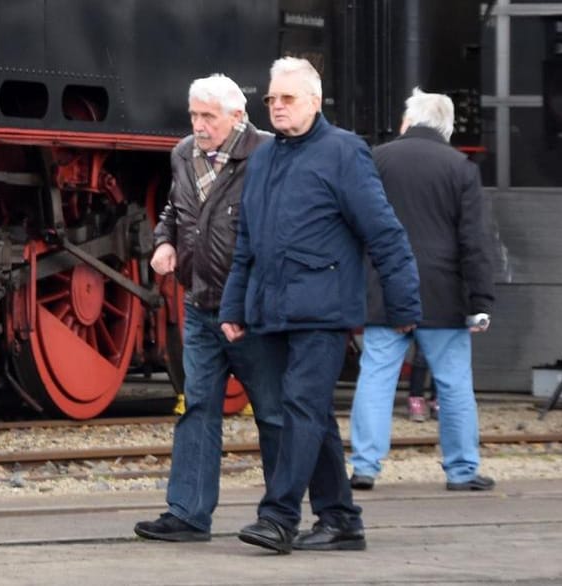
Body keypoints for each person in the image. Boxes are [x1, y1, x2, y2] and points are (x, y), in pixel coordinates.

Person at [218, 57, 420, 555]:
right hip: (273, 308)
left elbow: (384, 233)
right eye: (271, 99)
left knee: (300, 409)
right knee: (313, 416)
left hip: (324, 310)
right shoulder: (263, 158)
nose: (278, 107)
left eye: (287, 98)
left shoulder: (344, 152)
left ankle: (279, 517)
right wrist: (233, 307)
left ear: (314, 100)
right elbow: (247, 241)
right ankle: (341, 519)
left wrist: (404, 306)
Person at [134, 75, 284, 543]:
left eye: (208, 117)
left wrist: (251, 303)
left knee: (272, 411)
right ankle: (188, 512)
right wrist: (164, 244)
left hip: (250, 313)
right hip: (200, 305)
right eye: (194, 115)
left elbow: (280, 232)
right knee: (197, 407)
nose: (198, 126)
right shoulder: (183, 154)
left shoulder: (269, 155)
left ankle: (281, 516)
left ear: (237, 116)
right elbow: (175, 211)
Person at [347, 88, 498, 493]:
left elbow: (355, 224)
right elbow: (474, 241)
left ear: (407, 121)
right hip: (442, 293)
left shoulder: (376, 159)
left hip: (385, 288)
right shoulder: (460, 168)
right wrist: (481, 300)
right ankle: (462, 470)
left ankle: (364, 466)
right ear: (446, 127)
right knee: (453, 383)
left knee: (376, 377)